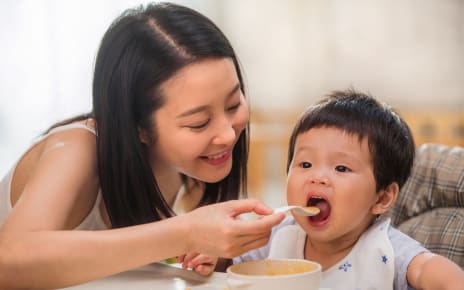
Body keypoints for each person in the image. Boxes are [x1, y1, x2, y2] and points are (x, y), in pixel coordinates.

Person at [0, 2, 285, 289]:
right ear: (138, 127)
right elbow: (7, 261)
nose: (226, 134)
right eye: (198, 122)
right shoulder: (76, 149)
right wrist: (184, 233)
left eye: (234, 104)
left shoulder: (189, 164)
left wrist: (209, 252)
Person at [234, 90, 464, 289]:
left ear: (382, 198)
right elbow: (231, 268)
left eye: (341, 168)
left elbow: (428, 269)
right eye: (305, 164)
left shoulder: (384, 249)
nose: (317, 177)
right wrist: (213, 257)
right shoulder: (279, 236)